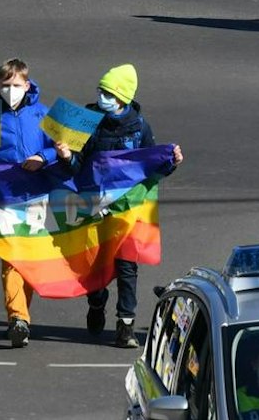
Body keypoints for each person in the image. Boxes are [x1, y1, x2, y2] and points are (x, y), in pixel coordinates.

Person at [0, 58, 66, 347]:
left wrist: (43, 157)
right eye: (5, 85)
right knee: (12, 257)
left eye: (16, 85)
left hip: (36, 196)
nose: (10, 90)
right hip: (4, 198)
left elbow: (60, 147)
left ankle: (21, 317)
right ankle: (18, 317)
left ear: (27, 85)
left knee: (28, 259)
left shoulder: (42, 114)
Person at [77, 63, 183, 348]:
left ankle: (125, 325)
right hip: (95, 207)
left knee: (127, 268)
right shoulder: (88, 121)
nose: (102, 98)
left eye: (108, 93)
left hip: (128, 209)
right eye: (101, 92)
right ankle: (96, 301)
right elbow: (77, 162)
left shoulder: (140, 127)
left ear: (123, 97)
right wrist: (66, 155)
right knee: (95, 264)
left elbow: (151, 165)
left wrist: (171, 161)